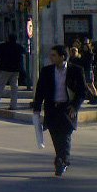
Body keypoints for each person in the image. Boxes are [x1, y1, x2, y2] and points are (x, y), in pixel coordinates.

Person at [32, 44, 87, 177]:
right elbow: (40, 91)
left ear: (62, 57)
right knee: (56, 137)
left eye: (54, 55)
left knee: (66, 136)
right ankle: (62, 159)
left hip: (67, 108)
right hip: (52, 108)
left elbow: (82, 91)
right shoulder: (46, 71)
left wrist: (75, 106)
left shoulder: (76, 70)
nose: (51, 58)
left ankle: (61, 161)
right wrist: (37, 109)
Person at [0, 34, 24, 110]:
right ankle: (13, 105)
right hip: (16, 70)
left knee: (0, 87)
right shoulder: (18, 46)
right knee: (14, 88)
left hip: (5, 69)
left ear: (8, 38)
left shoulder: (4, 46)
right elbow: (24, 51)